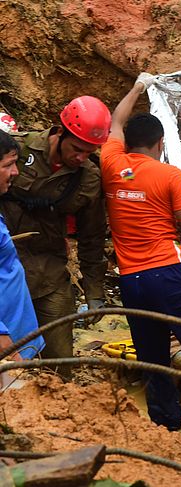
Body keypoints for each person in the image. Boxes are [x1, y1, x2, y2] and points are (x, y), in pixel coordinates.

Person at [101, 74, 181, 431]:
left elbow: (115, 121)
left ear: (128, 143)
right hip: (171, 274)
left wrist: (137, 88)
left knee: (154, 361)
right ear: (160, 144)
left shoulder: (112, 164)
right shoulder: (170, 176)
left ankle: (166, 432)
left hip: (132, 281)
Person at [0, 96, 109, 376]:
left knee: (58, 363)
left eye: (89, 151)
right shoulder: (18, 151)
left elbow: (92, 236)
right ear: (59, 132)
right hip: (6, 272)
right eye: (77, 149)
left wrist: (95, 291)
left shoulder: (88, 178)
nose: (80, 157)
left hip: (48, 273)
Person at [0, 130, 45, 361]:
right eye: (8, 165)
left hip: (18, 336)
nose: (15, 172)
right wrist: (8, 349)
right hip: (7, 347)